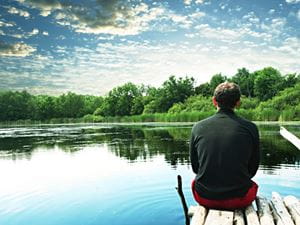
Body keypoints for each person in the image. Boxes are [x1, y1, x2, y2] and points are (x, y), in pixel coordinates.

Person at [190, 82, 260, 210]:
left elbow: (196, 168)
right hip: (240, 198)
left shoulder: (197, 127)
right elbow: (253, 169)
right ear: (238, 102)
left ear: (214, 101)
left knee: (195, 182)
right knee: (252, 185)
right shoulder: (250, 128)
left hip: (205, 197)